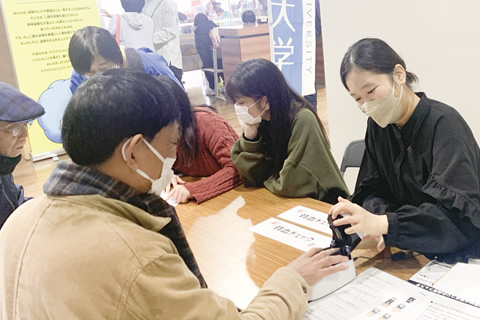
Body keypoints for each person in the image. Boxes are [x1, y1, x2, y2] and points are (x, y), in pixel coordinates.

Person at [0, 69, 348, 318]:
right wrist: (294, 281)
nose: (172, 158)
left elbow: (252, 172)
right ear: (133, 151)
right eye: (170, 146)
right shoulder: (136, 255)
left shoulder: (18, 221)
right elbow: (249, 168)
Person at [330, 38, 480, 263]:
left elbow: (459, 220)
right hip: (410, 252)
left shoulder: (444, 124)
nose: (366, 105)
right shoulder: (379, 126)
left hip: (458, 258)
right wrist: (381, 222)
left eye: (370, 91)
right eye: (358, 98)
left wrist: (386, 223)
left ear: (399, 75)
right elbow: (373, 189)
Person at [228, 58, 349, 204]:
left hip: (324, 206)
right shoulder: (260, 122)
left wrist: (267, 179)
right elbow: (250, 178)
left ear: (265, 102)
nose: (237, 108)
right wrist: (250, 137)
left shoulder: (302, 119)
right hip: (286, 204)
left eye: (241, 102)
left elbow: (291, 183)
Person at [166, 86, 242, 204]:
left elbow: (238, 168)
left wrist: (193, 189)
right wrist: (165, 174)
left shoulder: (207, 122)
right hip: (200, 200)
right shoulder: (156, 133)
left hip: (230, 197)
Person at [68, 26, 181, 93]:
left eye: (104, 68)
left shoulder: (147, 64)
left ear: (116, 56)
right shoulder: (79, 76)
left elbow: (179, 96)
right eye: (91, 74)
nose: (99, 78)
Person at [0, 82, 45, 229]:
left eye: (26, 125)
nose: (24, 135)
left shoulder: (3, 164)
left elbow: (12, 202)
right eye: (15, 128)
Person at [142, 0, 183, 82]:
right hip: (152, 59)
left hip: (168, 59)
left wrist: (147, 38)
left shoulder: (168, 3)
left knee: (173, 91)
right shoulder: (144, 4)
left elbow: (170, 31)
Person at [193, 13, 223, 96]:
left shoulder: (198, 32)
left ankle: (212, 87)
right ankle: (224, 84)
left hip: (209, 61)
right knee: (220, 63)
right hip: (222, 60)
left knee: (206, 66)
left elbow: (201, 51)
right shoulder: (214, 26)